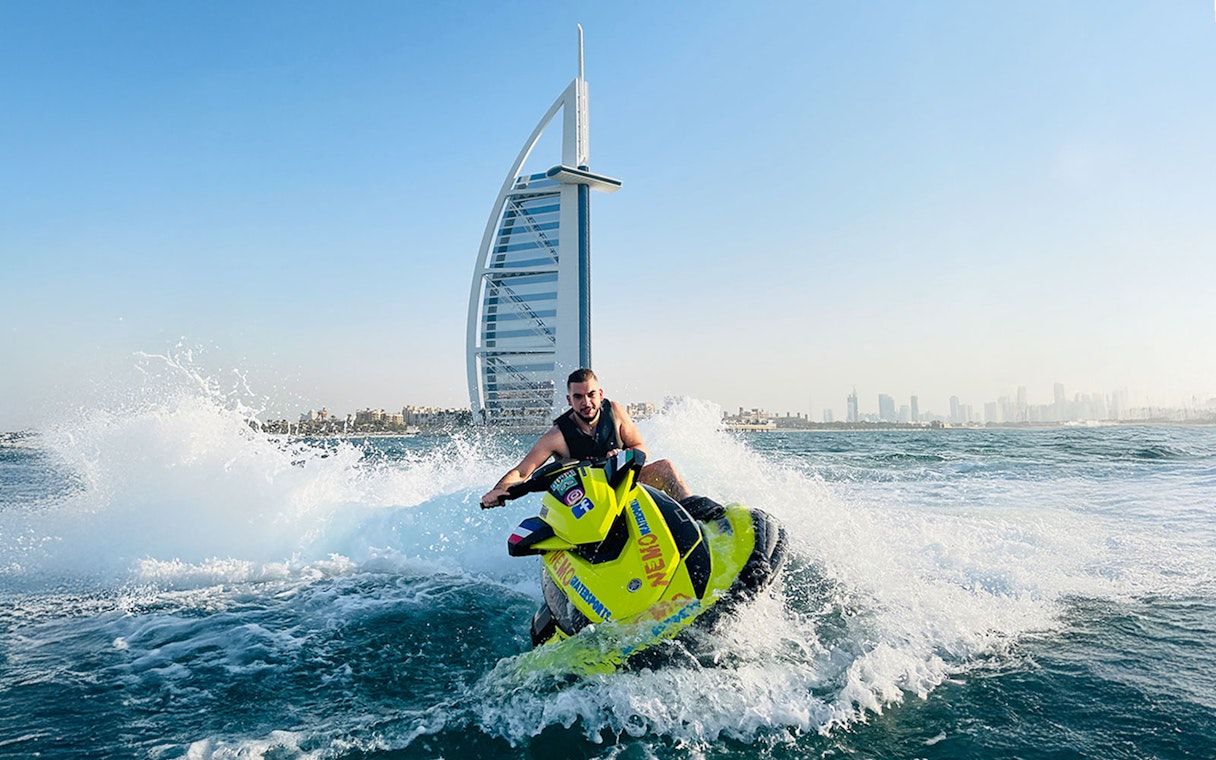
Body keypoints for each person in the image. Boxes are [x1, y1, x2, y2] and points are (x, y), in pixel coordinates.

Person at [480, 368, 692, 508]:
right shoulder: (557, 436)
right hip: (585, 500)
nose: (586, 402)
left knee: (665, 467)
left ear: (600, 394)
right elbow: (522, 471)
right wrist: (499, 490)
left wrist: (625, 454)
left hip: (623, 486)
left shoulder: (616, 412)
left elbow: (641, 448)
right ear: (569, 400)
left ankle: (698, 517)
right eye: (578, 397)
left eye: (590, 395)